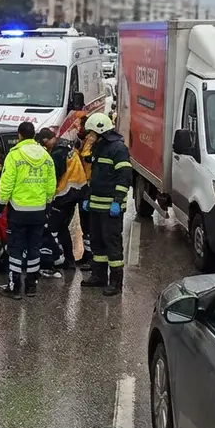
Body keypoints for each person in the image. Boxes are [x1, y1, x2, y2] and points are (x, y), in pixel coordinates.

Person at [0, 121, 56, 299]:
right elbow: (51, 185)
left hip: (18, 211)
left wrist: (0, 205)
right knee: (34, 248)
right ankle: (31, 286)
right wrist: (47, 204)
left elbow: (6, 184)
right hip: (38, 211)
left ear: (19, 135)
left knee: (15, 249)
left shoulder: (14, 155)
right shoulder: (46, 156)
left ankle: (14, 287)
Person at [82, 113, 132, 296]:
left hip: (111, 206)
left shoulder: (118, 149)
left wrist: (118, 201)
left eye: (91, 133)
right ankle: (99, 276)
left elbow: (124, 176)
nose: (89, 136)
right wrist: (88, 196)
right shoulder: (99, 148)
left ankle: (116, 282)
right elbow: (94, 177)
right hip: (96, 204)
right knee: (97, 242)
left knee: (112, 244)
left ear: (101, 131)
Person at [38, 127, 88, 276]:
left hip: (65, 193)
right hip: (78, 189)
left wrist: (48, 196)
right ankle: (69, 260)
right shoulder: (66, 144)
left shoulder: (58, 152)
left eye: (43, 144)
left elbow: (55, 175)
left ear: (46, 140)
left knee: (56, 227)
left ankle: (62, 259)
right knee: (63, 227)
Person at [75, 114, 98, 270]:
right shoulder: (86, 138)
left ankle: (92, 257)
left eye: (81, 125)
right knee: (85, 225)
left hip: (91, 186)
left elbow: (86, 157)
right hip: (85, 185)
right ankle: (87, 255)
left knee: (90, 225)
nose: (79, 128)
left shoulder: (92, 138)